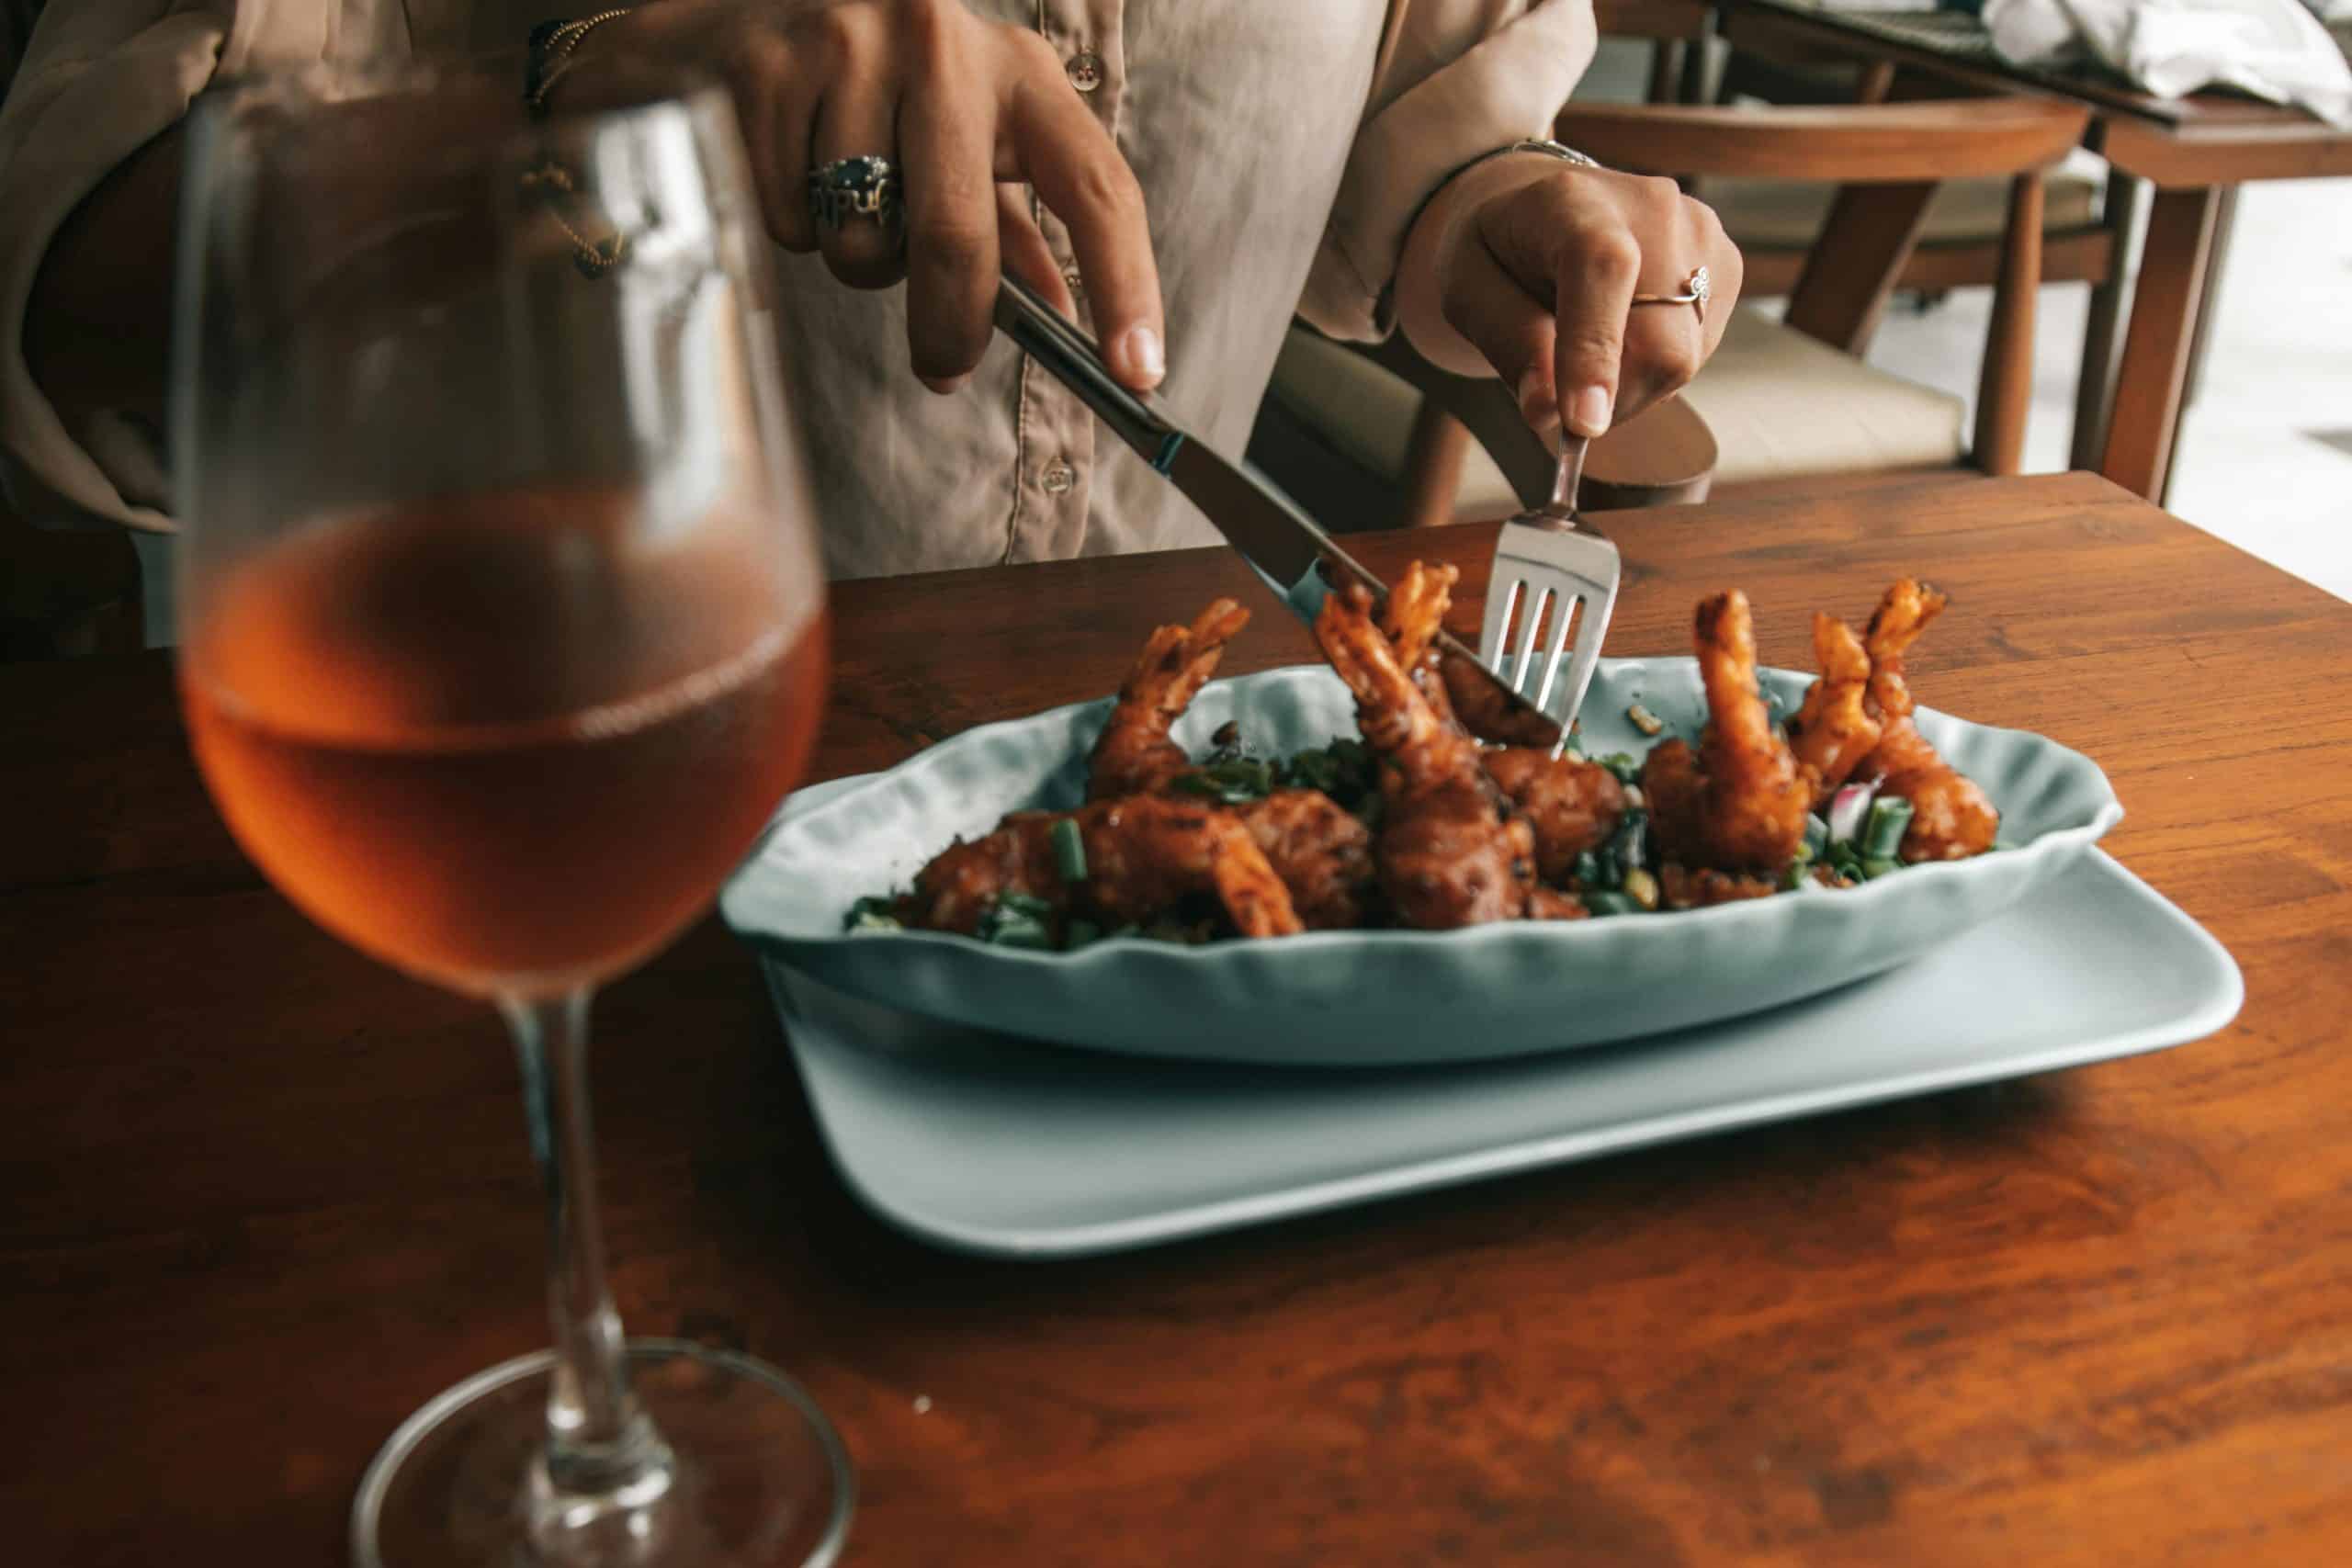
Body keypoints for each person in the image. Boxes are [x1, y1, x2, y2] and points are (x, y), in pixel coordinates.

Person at [0, 0, 1741, 591]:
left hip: (1140, 821)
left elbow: (1409, 131)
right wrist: (578, 106)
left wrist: (1506, 207)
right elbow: (83, 289)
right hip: (548, 769)